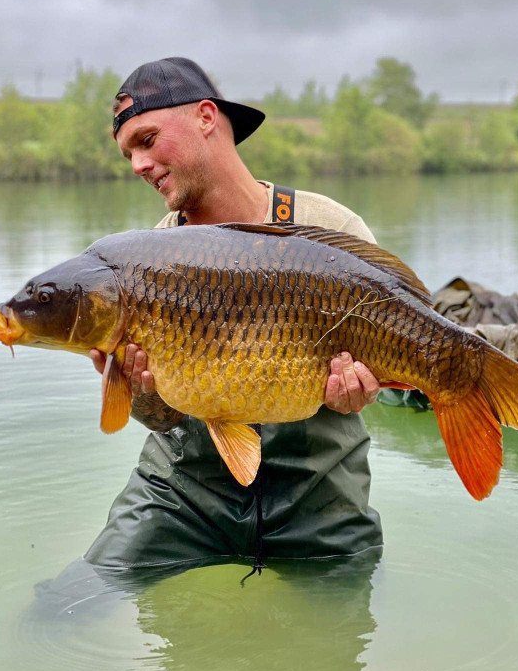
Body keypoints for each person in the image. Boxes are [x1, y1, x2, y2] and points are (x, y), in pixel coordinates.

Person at [84, 57, 383, 573]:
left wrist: (361, 391)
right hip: (184, 494)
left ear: (205, 117)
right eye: (128, 153)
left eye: (148, 140)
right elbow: (161, 421)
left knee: (338, 634)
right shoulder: (148, 255)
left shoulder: (330, 226)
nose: (137, 165)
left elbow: (376, 375)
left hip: (317, 492)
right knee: (77, 600)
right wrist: (140, 391)